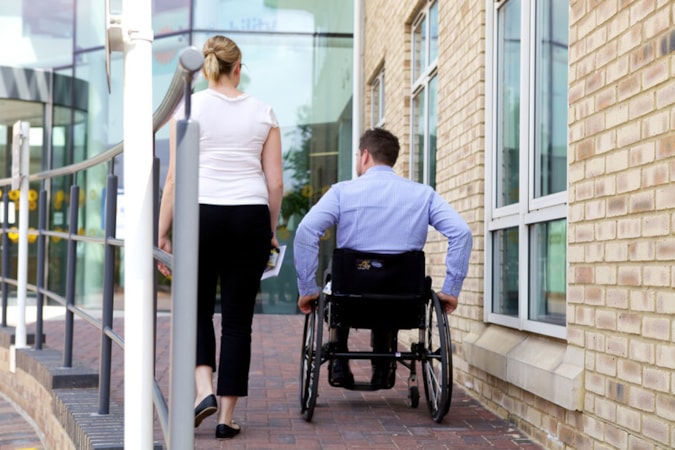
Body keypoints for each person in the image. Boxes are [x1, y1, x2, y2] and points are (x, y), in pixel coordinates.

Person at [158, 35, 283, 440]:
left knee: (195, 310)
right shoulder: (264, 112)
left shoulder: (188, 109)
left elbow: (176, 178)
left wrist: (162, 231)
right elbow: (275, 183)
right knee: (237, 321)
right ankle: (227, 418)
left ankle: (204, 391)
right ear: (238, 67)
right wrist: (270, 231)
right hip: (250, 216)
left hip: (201, 214)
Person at [293, 127, 472, 389]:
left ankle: (339, 357)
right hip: (402, 301)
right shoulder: (423, 194)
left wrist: (308, 289)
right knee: (391, 276)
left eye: (357, 155)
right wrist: (451, 289)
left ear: (365, 156)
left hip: (350, 298)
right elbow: (462, 233)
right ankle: (383, 363)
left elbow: (307, 231)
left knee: (341, 269)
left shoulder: (342, 192)